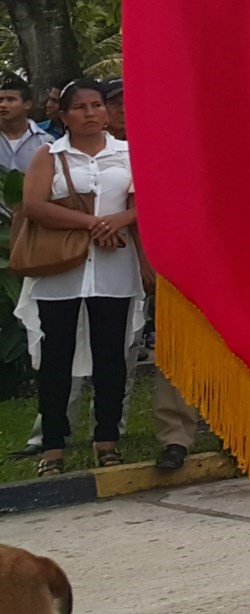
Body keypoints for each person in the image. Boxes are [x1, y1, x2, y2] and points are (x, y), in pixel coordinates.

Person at [24, 80, 138, 475]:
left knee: (112, 356)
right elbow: (35, 205)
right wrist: (93, 223)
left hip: (113, 268)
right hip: (62, 271)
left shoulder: (127, 153)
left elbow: (144, 200)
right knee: (57, 358)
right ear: (64, 114)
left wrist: (117, 221)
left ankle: (107, 440)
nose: (90, 113)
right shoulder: (50, 156)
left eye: (96, 105)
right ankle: (52, 447)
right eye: (80, 107)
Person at [0, 78, 47, 173]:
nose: (3, 105)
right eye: (0, 100)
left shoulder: (44, 141)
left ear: (27, 104)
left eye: (11, 100)